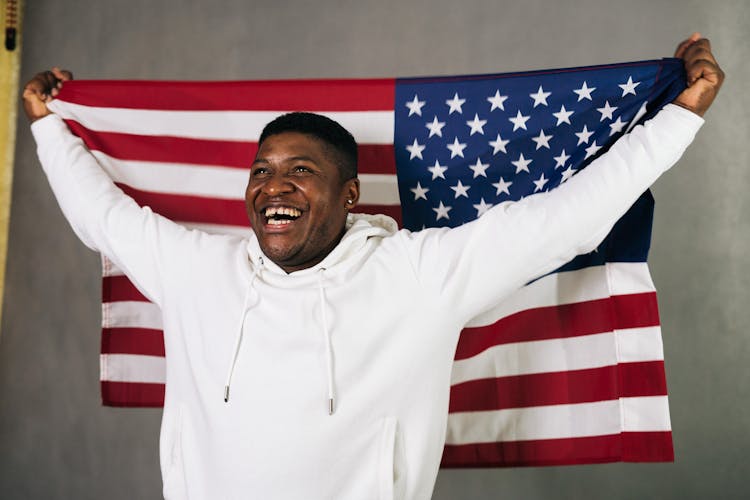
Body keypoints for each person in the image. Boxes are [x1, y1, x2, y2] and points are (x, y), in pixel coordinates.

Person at [22, 33, 723, 500]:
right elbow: (102, 218)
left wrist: (681, 117)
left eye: (301, 172)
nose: (275, 187)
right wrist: (49, 126)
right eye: (262, 171)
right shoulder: (197, 270)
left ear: (349, 195)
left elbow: (566, 221)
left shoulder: (418, 276)